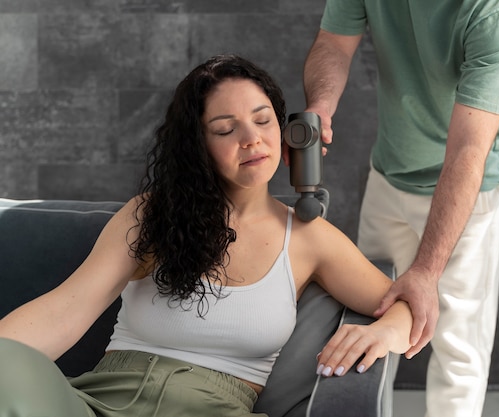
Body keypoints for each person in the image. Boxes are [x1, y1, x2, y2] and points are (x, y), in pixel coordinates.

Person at [0, 54, 413, 417]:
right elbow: (65, 311)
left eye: (262, 120)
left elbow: (403, 305)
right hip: (99, 404)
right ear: (198, 146)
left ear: (285, 131)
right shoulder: (151, 215)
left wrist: (385, 331)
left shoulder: (308, 237)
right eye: (224, 129)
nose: (251, 138)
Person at [302, 1, 499, 416]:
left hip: (468, 191)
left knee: (458, 352)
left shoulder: (496, 11)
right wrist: (320, 106)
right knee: (368, 318)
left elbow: (467, 152)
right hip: (390, 171)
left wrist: (426, 271)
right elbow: (334, 41)